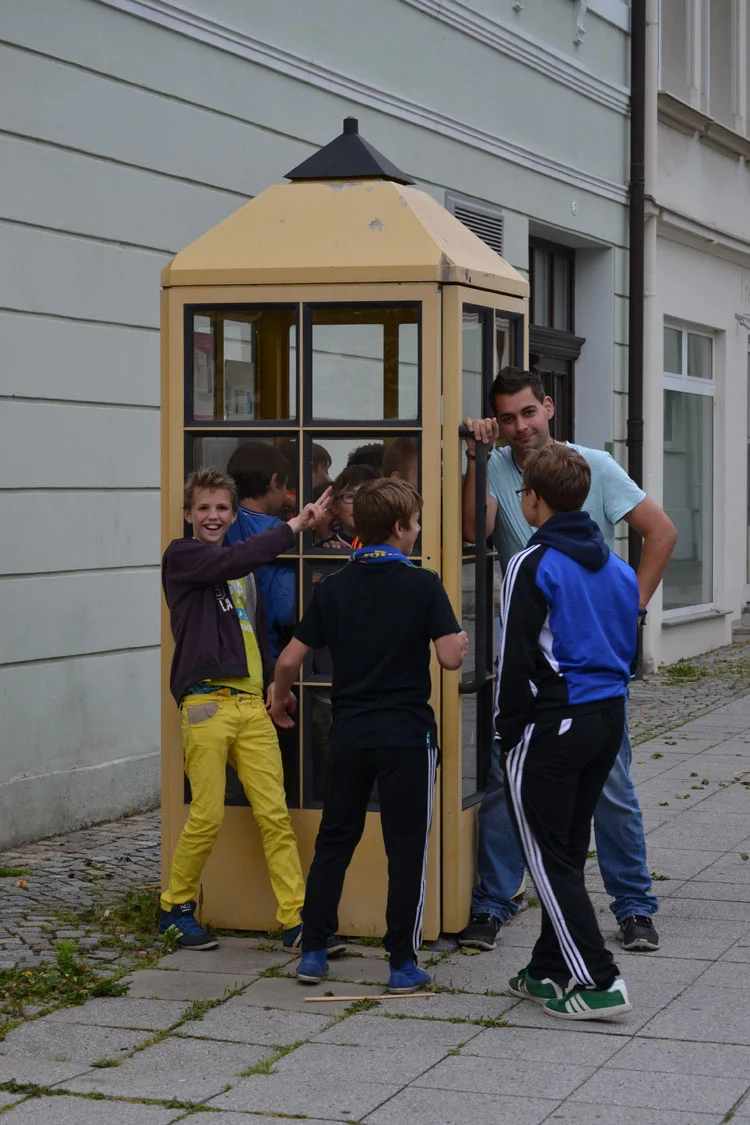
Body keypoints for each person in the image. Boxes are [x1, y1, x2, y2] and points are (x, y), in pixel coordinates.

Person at [460, 367, 677, 954]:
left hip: (585, 659)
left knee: (609, 781)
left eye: (527, 413)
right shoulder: (499, 466)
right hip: (524, 652)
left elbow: (660, 531)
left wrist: (628, 609)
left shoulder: (591, 466)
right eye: (506, 418)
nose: (519, 427)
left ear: (548, 407)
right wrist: (478, 457)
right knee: (506, 776)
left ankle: (633, 903)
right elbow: (468, 532)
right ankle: (494, 900)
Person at [271, 479, 469, 992]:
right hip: (407, 736)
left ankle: (313, 950)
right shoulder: (423, 584)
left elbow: (291, 658)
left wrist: (281, 695)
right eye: (417, 523)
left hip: (350, 733)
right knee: (406, 847)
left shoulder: (334, 586)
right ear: (401, 529)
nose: (418, 530)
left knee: (336, 840)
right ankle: (401, 962)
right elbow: (449, 658)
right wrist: (461, 640)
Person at [158, 467, 342, 953]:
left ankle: (296, 921)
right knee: (208, 813)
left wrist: (274, 690)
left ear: (233, 513)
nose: (213, 516)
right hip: (205, 705)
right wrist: (295, 527)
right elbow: (235, 559)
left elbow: (256, 638)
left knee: (274, 815)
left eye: (222, 508)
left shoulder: (244, 574)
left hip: (250, 703)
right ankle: (174, 908)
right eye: (204, 508)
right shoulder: (182, 556)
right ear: (187, 514)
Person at [500, 444, 637, 1020]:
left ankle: (599, 980)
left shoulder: (531, 562)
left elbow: (513, 656)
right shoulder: (619, 567)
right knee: (566, 847)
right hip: (608, 719)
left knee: (547, 856)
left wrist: (507, 735)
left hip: (554, 724)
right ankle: (547, 969)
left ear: (532, 499)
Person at [225, 442, 297, 659]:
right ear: (275, 481)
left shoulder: (224, 522)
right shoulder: (281, 533)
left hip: (229, 644)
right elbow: (286, 609)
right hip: (270, 647)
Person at [315, 464, 380, 548]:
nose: (358, 504)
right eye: (350, 497)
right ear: (335, 506)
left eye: (367, 496)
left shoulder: (394, 550)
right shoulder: (321, 552)